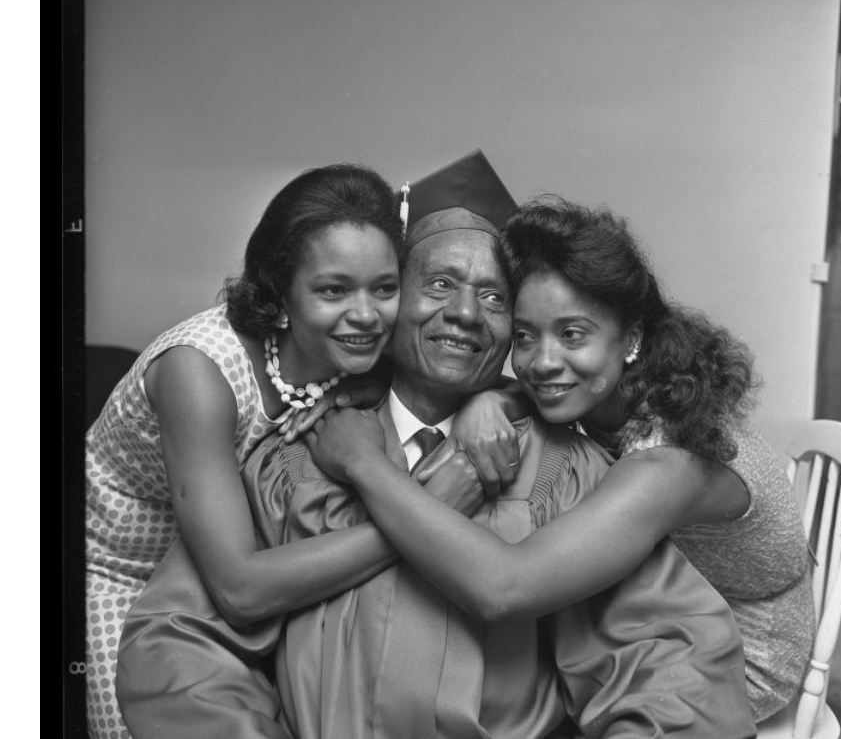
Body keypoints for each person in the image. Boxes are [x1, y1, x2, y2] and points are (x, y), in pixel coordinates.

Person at [282, 151, 756, 738]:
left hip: (755, 647)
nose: (463, 314)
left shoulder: (627, 467)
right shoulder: (292, 448)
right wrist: (492, 399)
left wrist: (365, 466)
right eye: (437, 284)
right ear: (390, 300)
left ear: (632, 340)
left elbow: (518, 590)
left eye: (492, 298)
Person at [86, 163, 419, 739]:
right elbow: (239, 590)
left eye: (384, 288)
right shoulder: (199, 371)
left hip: (254, 572)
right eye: (333, 289)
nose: (366, 315)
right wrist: (423, 522)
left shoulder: (355, 359)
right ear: (279, 290)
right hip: (132, 585)